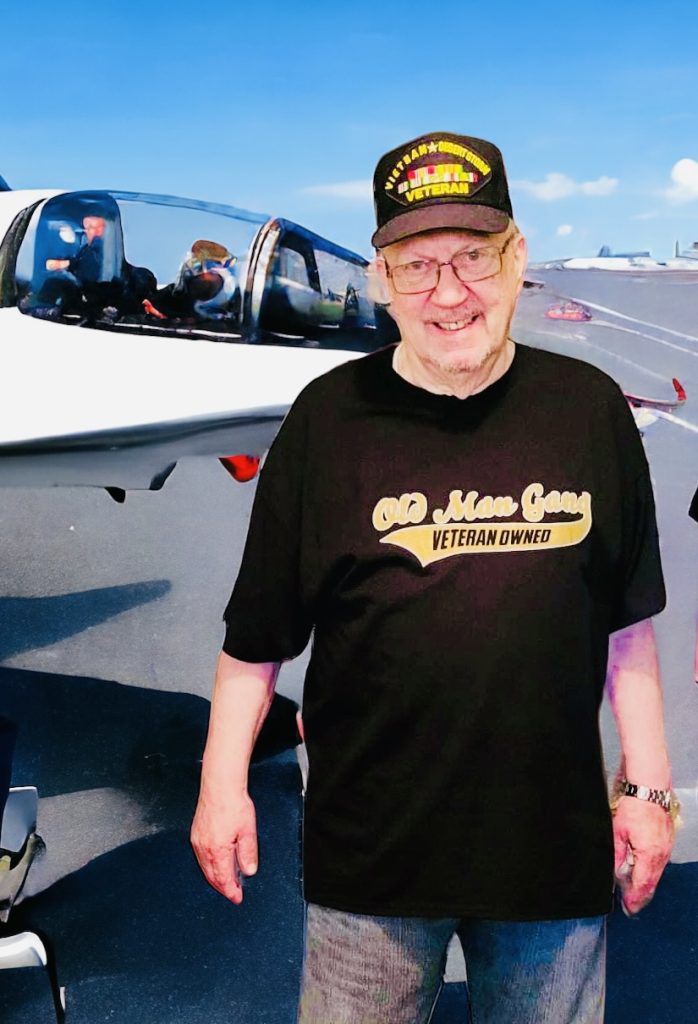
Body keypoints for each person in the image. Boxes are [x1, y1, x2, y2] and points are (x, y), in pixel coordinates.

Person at [191, 132, 676, 1024]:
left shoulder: (589, 411)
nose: (449, 293)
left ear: (518, 257)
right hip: (370, 865)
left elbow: (625, 624)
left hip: (549, 859)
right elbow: (254, 640)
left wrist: (647, 788)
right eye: (417, 266)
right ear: (380, 278)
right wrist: (222, 784)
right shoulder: (327, 421)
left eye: (474, 258)